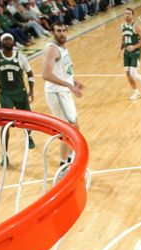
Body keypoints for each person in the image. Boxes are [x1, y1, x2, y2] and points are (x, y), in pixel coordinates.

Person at [42, 22, 83, 168]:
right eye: (58, 30)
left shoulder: (62, 48)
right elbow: (46, 75)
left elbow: (63, 72)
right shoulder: (52, 49)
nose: (62, 33)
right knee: (69, 128)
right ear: (53, 32)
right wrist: (70, 86)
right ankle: (63, 164)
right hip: (57, 92)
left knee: (74, 126)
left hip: (64, 90)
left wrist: (74, 81)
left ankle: (70, 159)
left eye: (64, 30)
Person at [0, 33, 35, 157]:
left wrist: (31, 91)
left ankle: (29, 137)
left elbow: (30, 74)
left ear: (13, 42)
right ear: (1, 42)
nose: (8, 41)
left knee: (27, 120)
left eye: (10, 39)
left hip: (20, 92)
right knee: (5, 124)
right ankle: (5, 153)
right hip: (5, 94)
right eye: (5, 39)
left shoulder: (21, 57)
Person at [120, 7, 141, 100]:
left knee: (133, 73)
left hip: (135, 52)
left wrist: (134, 47)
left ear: (132, 15)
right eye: (125, 13)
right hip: (126, 53)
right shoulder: (122, 26)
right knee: (128, 74)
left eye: (129, 13)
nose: (127, 15)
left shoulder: (135, 26)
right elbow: (124, 37)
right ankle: (136, 92)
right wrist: (121, 49)